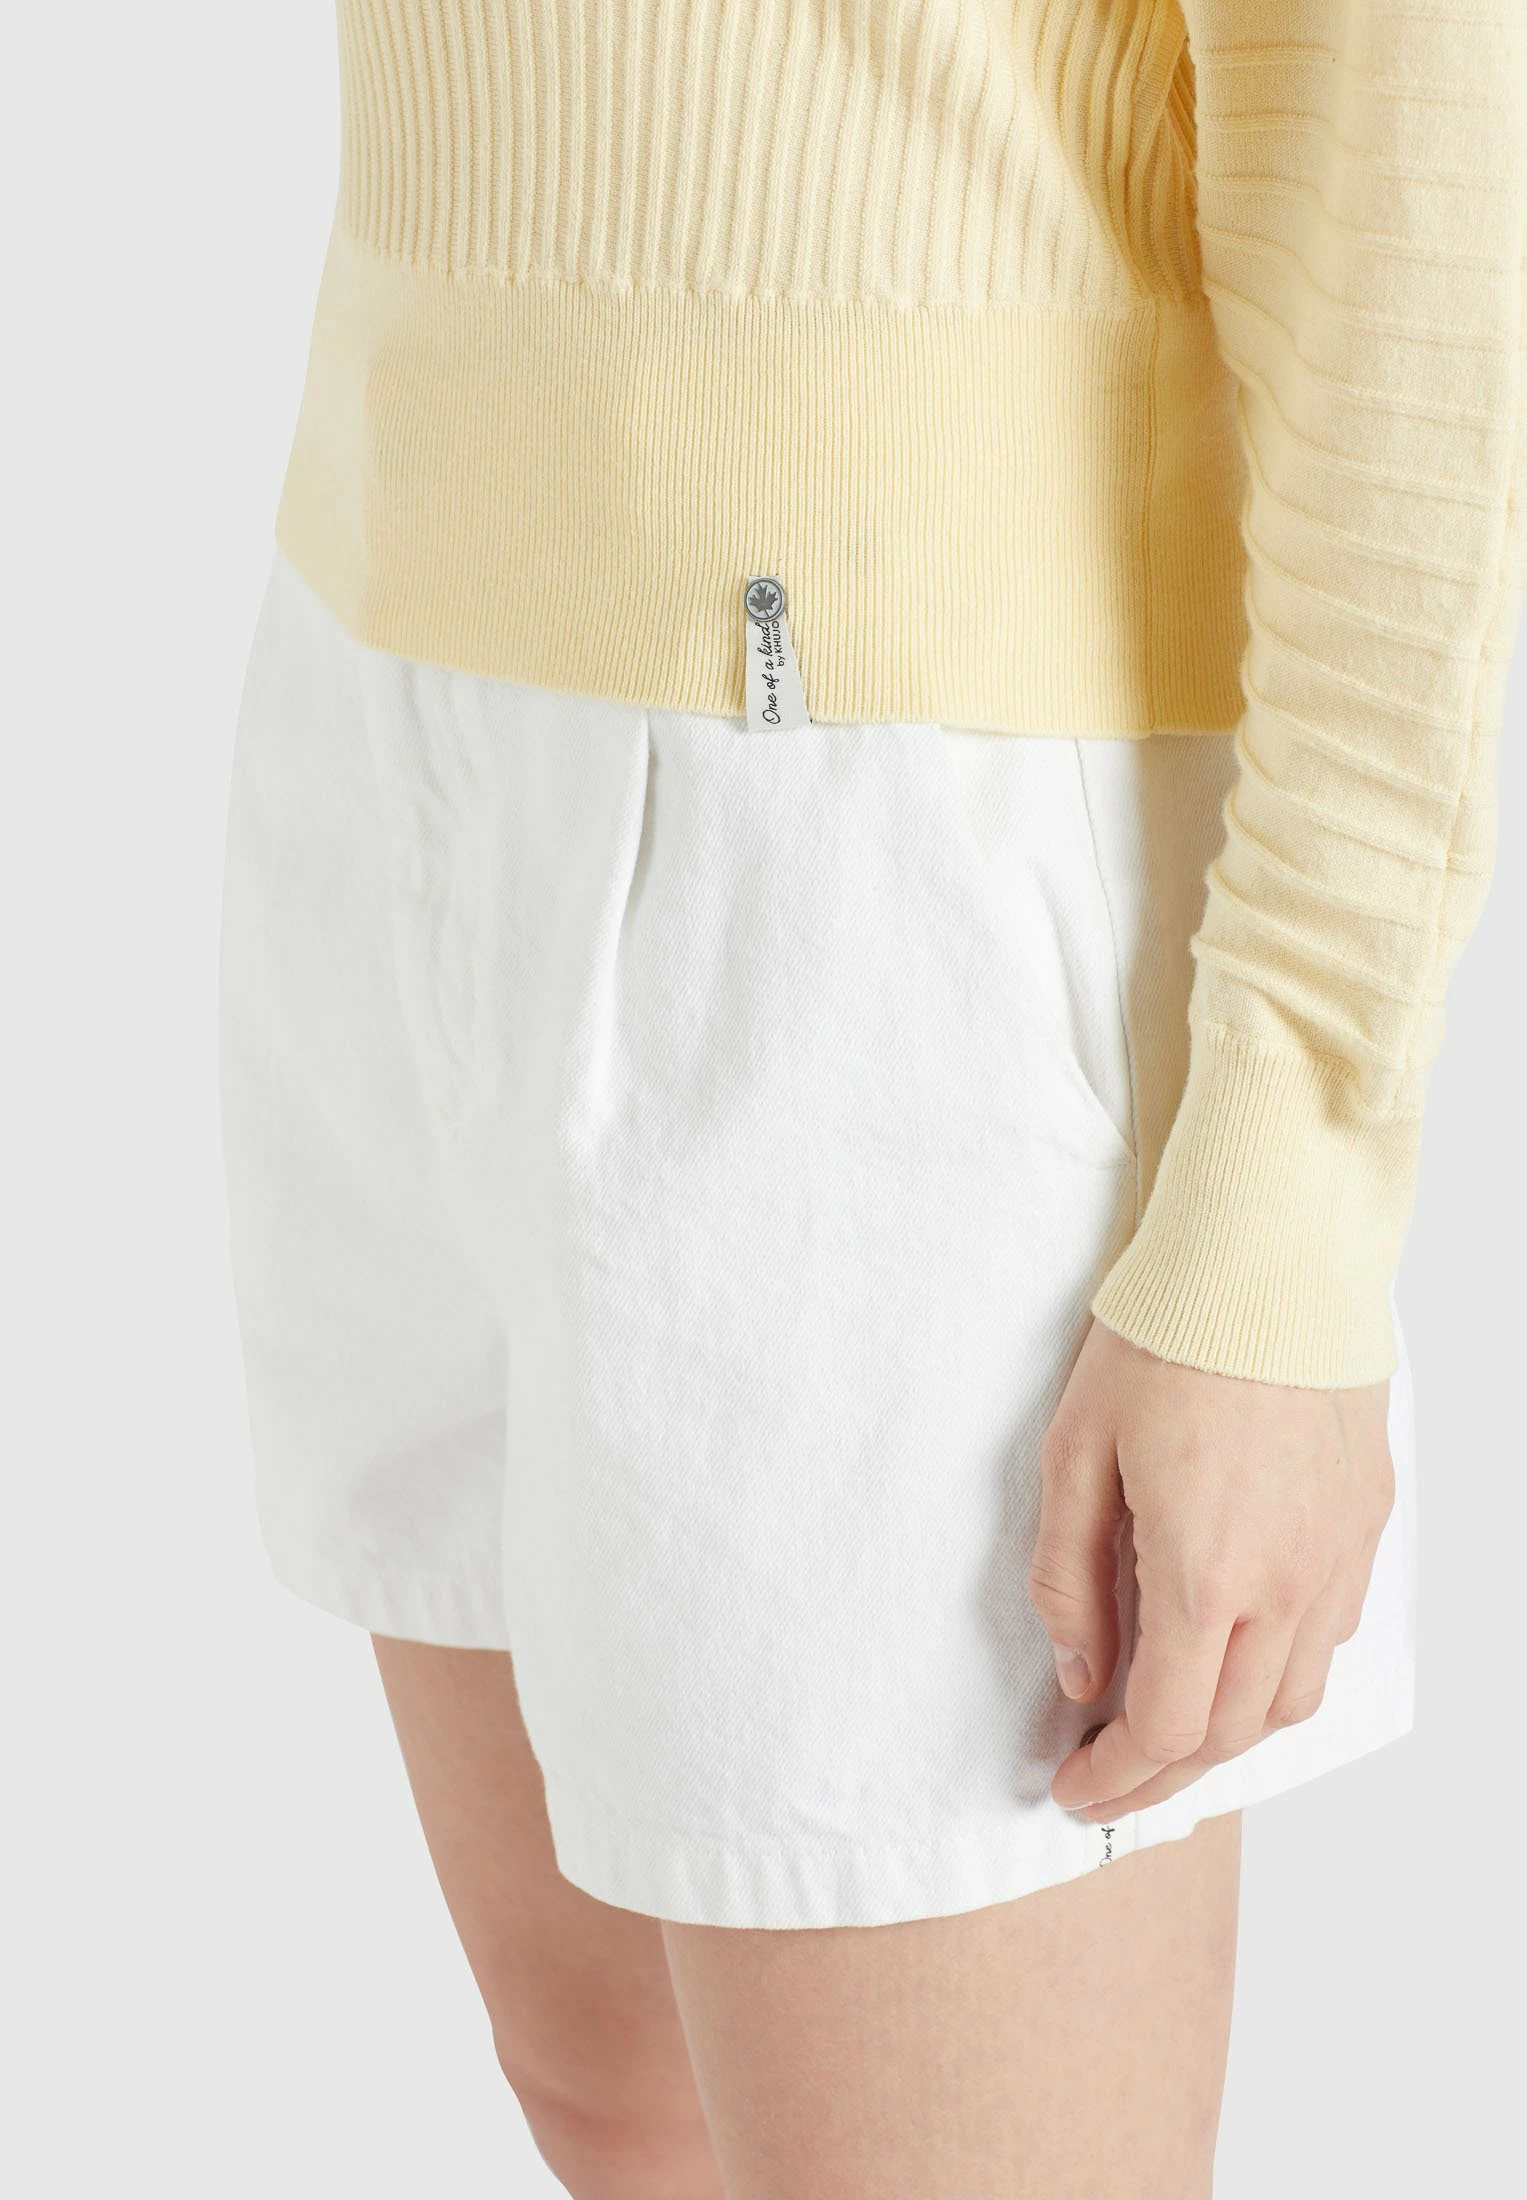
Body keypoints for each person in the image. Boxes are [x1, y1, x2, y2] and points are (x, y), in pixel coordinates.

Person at [218, 4, 1524, 2192]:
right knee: (613, 2090)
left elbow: (1412, 195)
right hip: (388, 669)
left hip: (884, 830)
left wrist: (1283, 1195)